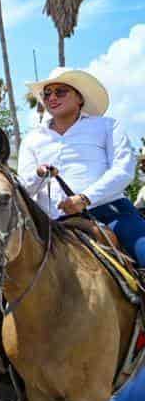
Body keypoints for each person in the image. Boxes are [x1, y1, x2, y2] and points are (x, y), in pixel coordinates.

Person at [19, 68, 142, 265]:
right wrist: (39, 175)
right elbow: (23, 188)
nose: (51, 97)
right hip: (51, 225)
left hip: (110, 213)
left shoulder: (107, 126)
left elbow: (123, 170)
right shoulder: (32, 139)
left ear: (79, 98)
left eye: (60, 92)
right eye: (47, 93)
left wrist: (85, 198)